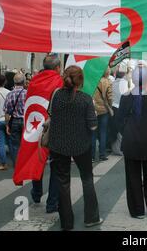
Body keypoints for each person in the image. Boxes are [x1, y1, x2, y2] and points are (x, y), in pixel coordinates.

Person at [48, 66, 102, 230]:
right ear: (80, 80)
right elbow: (93, 127)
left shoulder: (56, 95)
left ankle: (66, 222)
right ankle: (91, 217)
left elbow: (51, 114)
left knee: (63, 182)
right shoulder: (85, 99)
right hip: (81, 144)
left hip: (58, 144)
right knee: (87, 179)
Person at [117, 66, 147, 219]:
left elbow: (119, 120)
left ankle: (137, 211)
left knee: (133, 176)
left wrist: (127, 132)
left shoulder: (125, 97)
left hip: (130, 141)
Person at [30, 55, 62, 214]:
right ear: (57, 68)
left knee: (37, 159)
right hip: (55, 128)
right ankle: (52, 203)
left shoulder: (34, 81)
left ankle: (36, 193)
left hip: (35, 125)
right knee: (56, 165)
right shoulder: (59, 82)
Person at [4, 74, 27, 166]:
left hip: (15, 121)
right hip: (25, 121)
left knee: (14, 145)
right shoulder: (27, 93)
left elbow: (7, 112)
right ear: (24, 82)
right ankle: (25, 163)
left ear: (14, 82)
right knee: (25, 143)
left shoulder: (10, 94)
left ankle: (17, 165)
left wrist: (7, 125)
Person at [92, 68, 113, 161]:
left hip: (93, 110)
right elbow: (110, 97)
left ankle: (92, 156)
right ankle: (102, 155)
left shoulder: (92, 81)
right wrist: (110, 106)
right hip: (104, 110)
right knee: (103, 132)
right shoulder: (107, 82)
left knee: (92, 133)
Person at [108, 67, 129, 156]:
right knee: (121, 129)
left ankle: (113, 147)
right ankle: (119, 149)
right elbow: (125, 97)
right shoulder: (125, 83)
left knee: (114, 129)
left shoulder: (113, 83)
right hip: (121, 108)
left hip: (113, 108)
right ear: (124, 74)